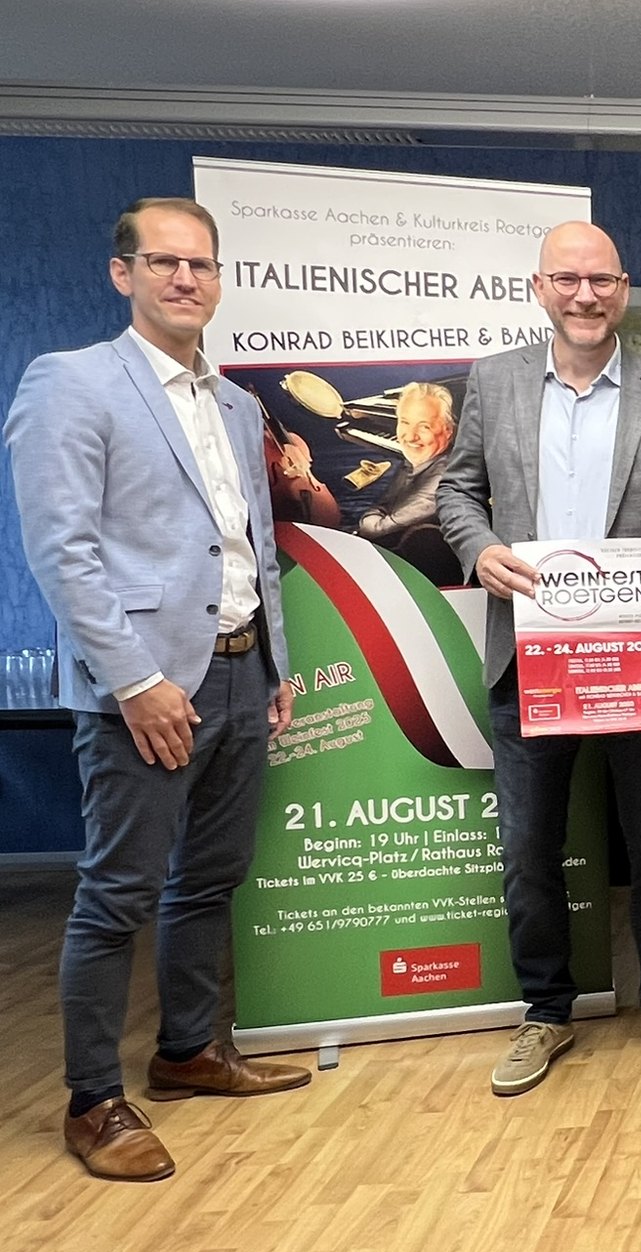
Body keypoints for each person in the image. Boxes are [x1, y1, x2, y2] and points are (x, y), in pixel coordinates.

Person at [4, 197, 309, 1181]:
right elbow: (63, 552)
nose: (185, 278)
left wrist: (275, 664)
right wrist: (136, 680)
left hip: (240, 673)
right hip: (142, 690)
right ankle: (94, 1101)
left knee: (211, 878)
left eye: (201, 264)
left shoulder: (236, 405)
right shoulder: (72, 382)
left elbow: (251, 548)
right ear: (122, 272)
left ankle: (187, 1051)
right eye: (164, 261)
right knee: (115, 894)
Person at [436, 221, 641, 1095]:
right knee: (529, 850)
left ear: (623, 289)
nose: (585, 295)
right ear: (540, 288)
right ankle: (545, 1011)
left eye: (600, 280)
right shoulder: (494, 381)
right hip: (529, 659)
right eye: (567, 279)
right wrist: (480, 548)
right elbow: (457, 492)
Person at [358, 381, 458, 582]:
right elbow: (382, 507)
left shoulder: (444, 477)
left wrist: (373, 518)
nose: (410, 436)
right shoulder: (417, 463)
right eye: (404, 422)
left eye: (424, 427)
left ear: (448, 431)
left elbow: (375, 530)